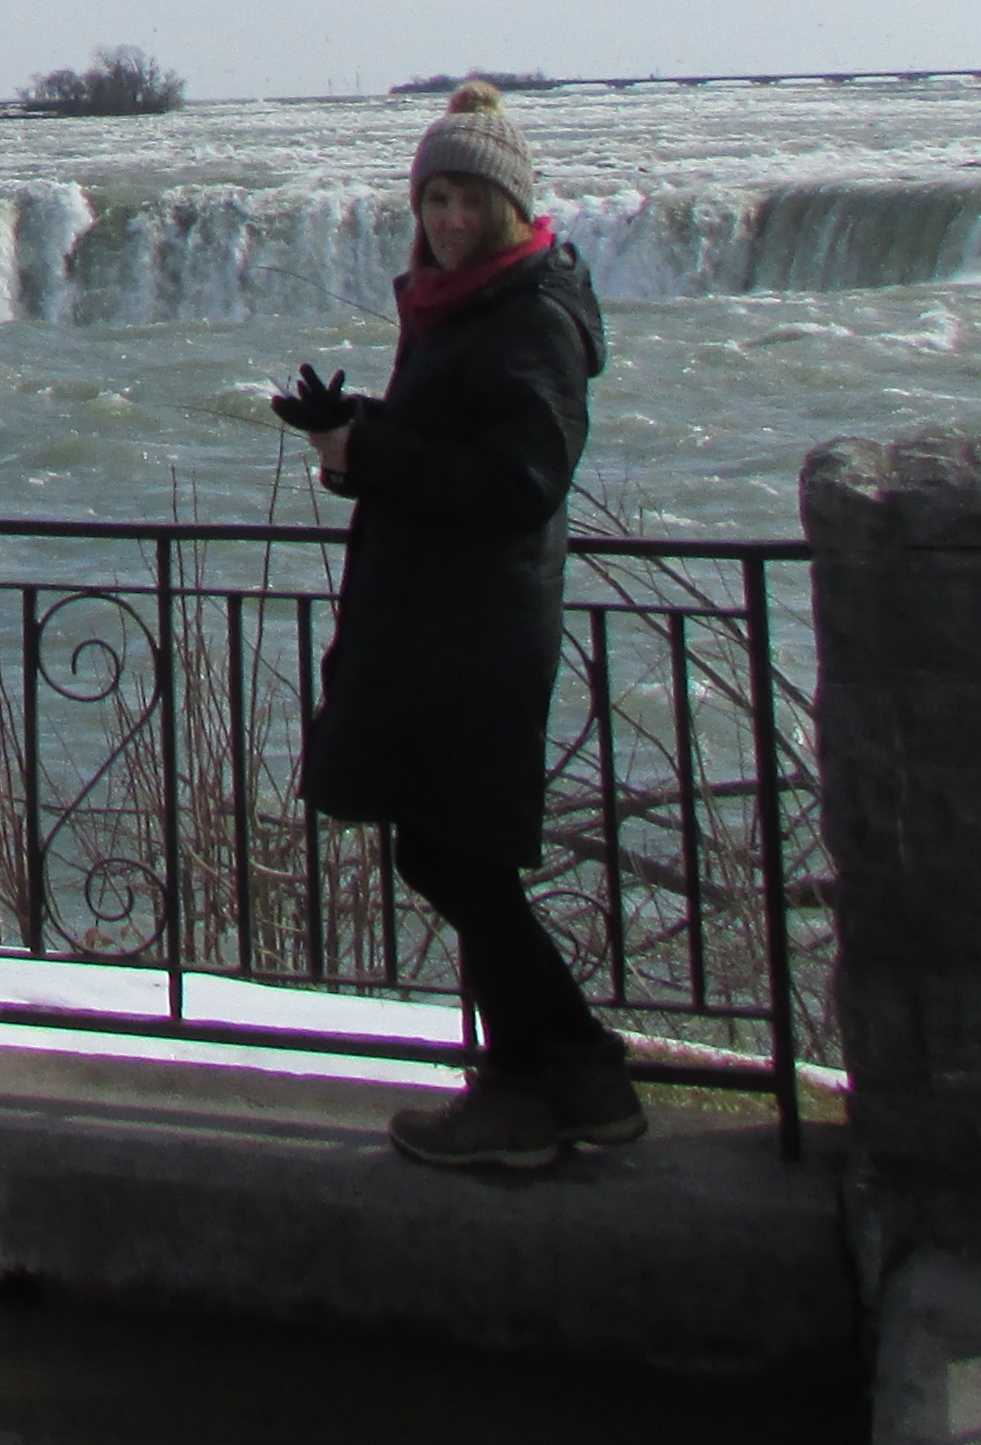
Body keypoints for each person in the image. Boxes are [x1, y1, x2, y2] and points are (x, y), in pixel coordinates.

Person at [290, 76, 636, 1168]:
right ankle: (565, 1079)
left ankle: (540, 1082)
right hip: (435, 621)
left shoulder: (531, 316)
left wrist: (377, 451)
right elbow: (455, 447)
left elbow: (519, 480)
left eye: (465, 202)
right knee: (448, 855)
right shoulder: (466, 302)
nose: (445, 220)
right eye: (433, 201)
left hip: (477, 634)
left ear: (505, 206)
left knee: (460, 858)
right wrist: (353, 434)